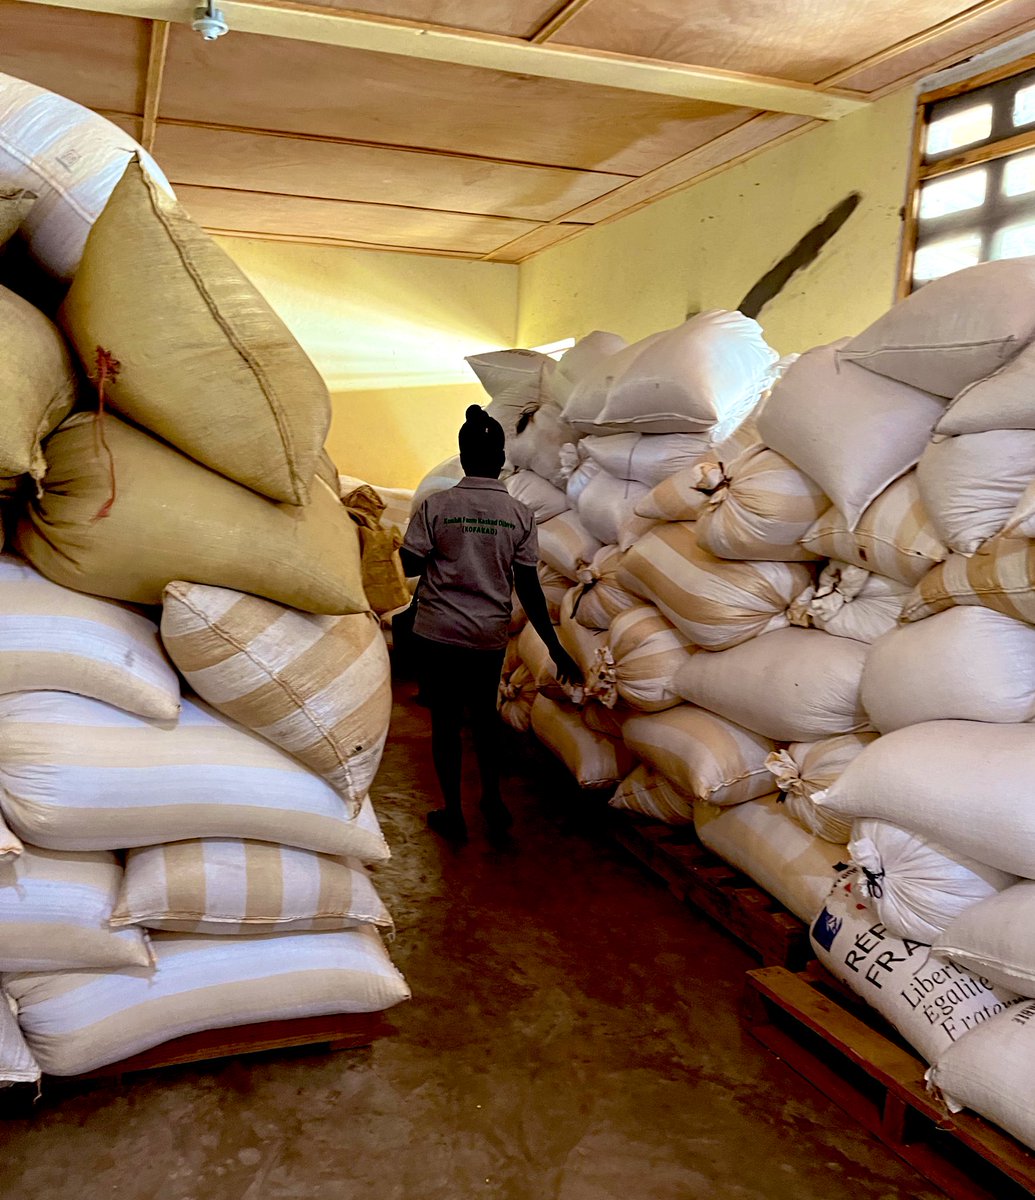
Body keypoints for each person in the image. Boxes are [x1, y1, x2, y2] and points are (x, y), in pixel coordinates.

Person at [400, 404, 581, 843]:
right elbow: (530, 588)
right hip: (488, 635)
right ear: (500, 459)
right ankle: (493, 801)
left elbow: (409, 566)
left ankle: (452, 812)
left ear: (463, 458)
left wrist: (435, 551)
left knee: (444, 724)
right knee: (484, 720)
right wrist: (556, 649)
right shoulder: (520, 514)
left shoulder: (437, 506)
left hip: (438, 633)